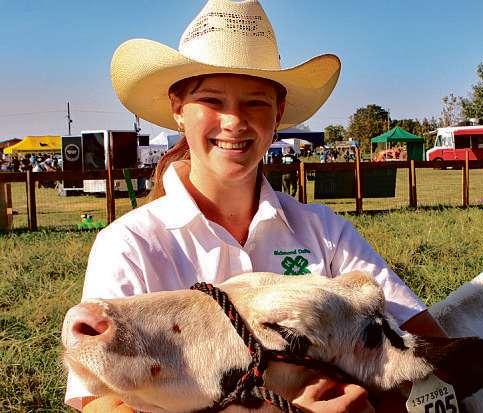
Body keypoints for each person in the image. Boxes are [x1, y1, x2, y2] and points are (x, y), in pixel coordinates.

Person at [66, 1, 445, 412]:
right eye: (212, 100)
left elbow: (427, 347)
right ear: (178, 109)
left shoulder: (324, 232)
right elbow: (98, 402)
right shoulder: (129, 244)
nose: (234, 121)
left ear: (278, 113)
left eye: (255, 103)